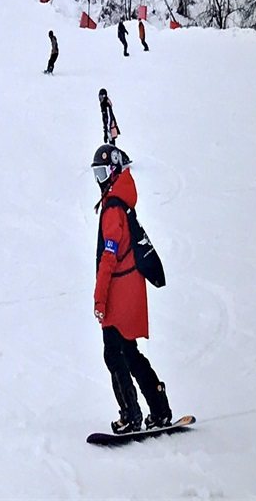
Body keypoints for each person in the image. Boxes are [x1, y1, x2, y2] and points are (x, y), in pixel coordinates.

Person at [90, 143, 172, 433]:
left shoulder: (113, 209)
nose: (99, 178)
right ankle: (159, 408)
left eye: (102, 171)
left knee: (114, 353)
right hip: (131, 285)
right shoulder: (122, 201)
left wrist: (100, 298)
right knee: (128, 351)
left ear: (113, 171)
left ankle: (131, 414)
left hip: (119, 290)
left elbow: (108, 257)